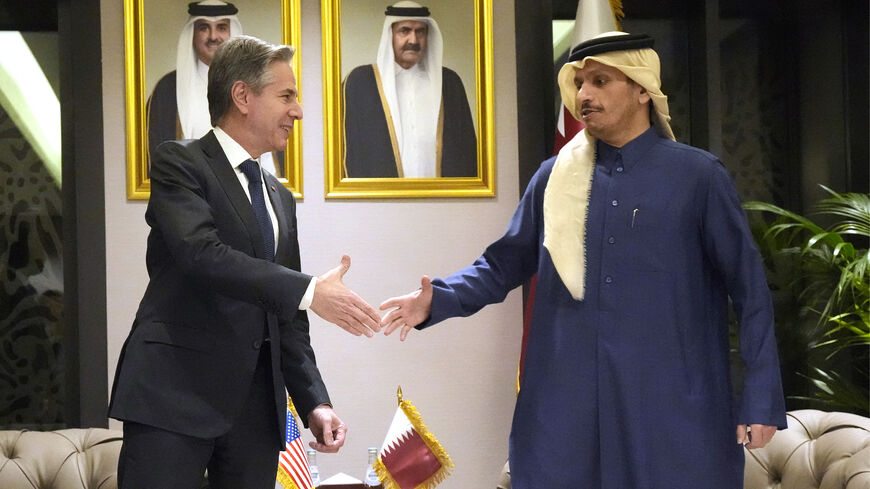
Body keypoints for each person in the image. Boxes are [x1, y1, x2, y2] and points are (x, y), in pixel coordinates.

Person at [380, 31, 787, 488]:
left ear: (641, 89)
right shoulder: (554, 177)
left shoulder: (697, 177)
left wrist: (761, 396)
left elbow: (750, 291)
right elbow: (503, 265)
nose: (583, 95)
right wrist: (437, 300)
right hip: (566, 409)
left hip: (672, 410)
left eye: (599, 81)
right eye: (578, 83)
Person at [109, 35, 382, 489]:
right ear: (242, 96)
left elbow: (285, 315)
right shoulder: (180, 163)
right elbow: (202, 254)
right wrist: (311, 290)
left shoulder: (279, 196)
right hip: (173, 399)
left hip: (255, 415)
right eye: (287, 96)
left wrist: (315, 401)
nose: (298, 110)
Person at [146, 1, 284, 176]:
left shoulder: (255, 84)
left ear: (231, 33)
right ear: (193, 34)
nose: (213, 36)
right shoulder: (167, 89)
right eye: (204, 28)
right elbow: (160, 157)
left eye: (221, 28)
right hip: (190, 194)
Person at [342, 1, 476, 178]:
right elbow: (349, 152)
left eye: (420, 31)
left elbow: (467, 152)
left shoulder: (450, 83)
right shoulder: (360, 82)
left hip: (442, 200)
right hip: (380, 201)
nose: (413, 40)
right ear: (390, 34)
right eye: (404, 31)